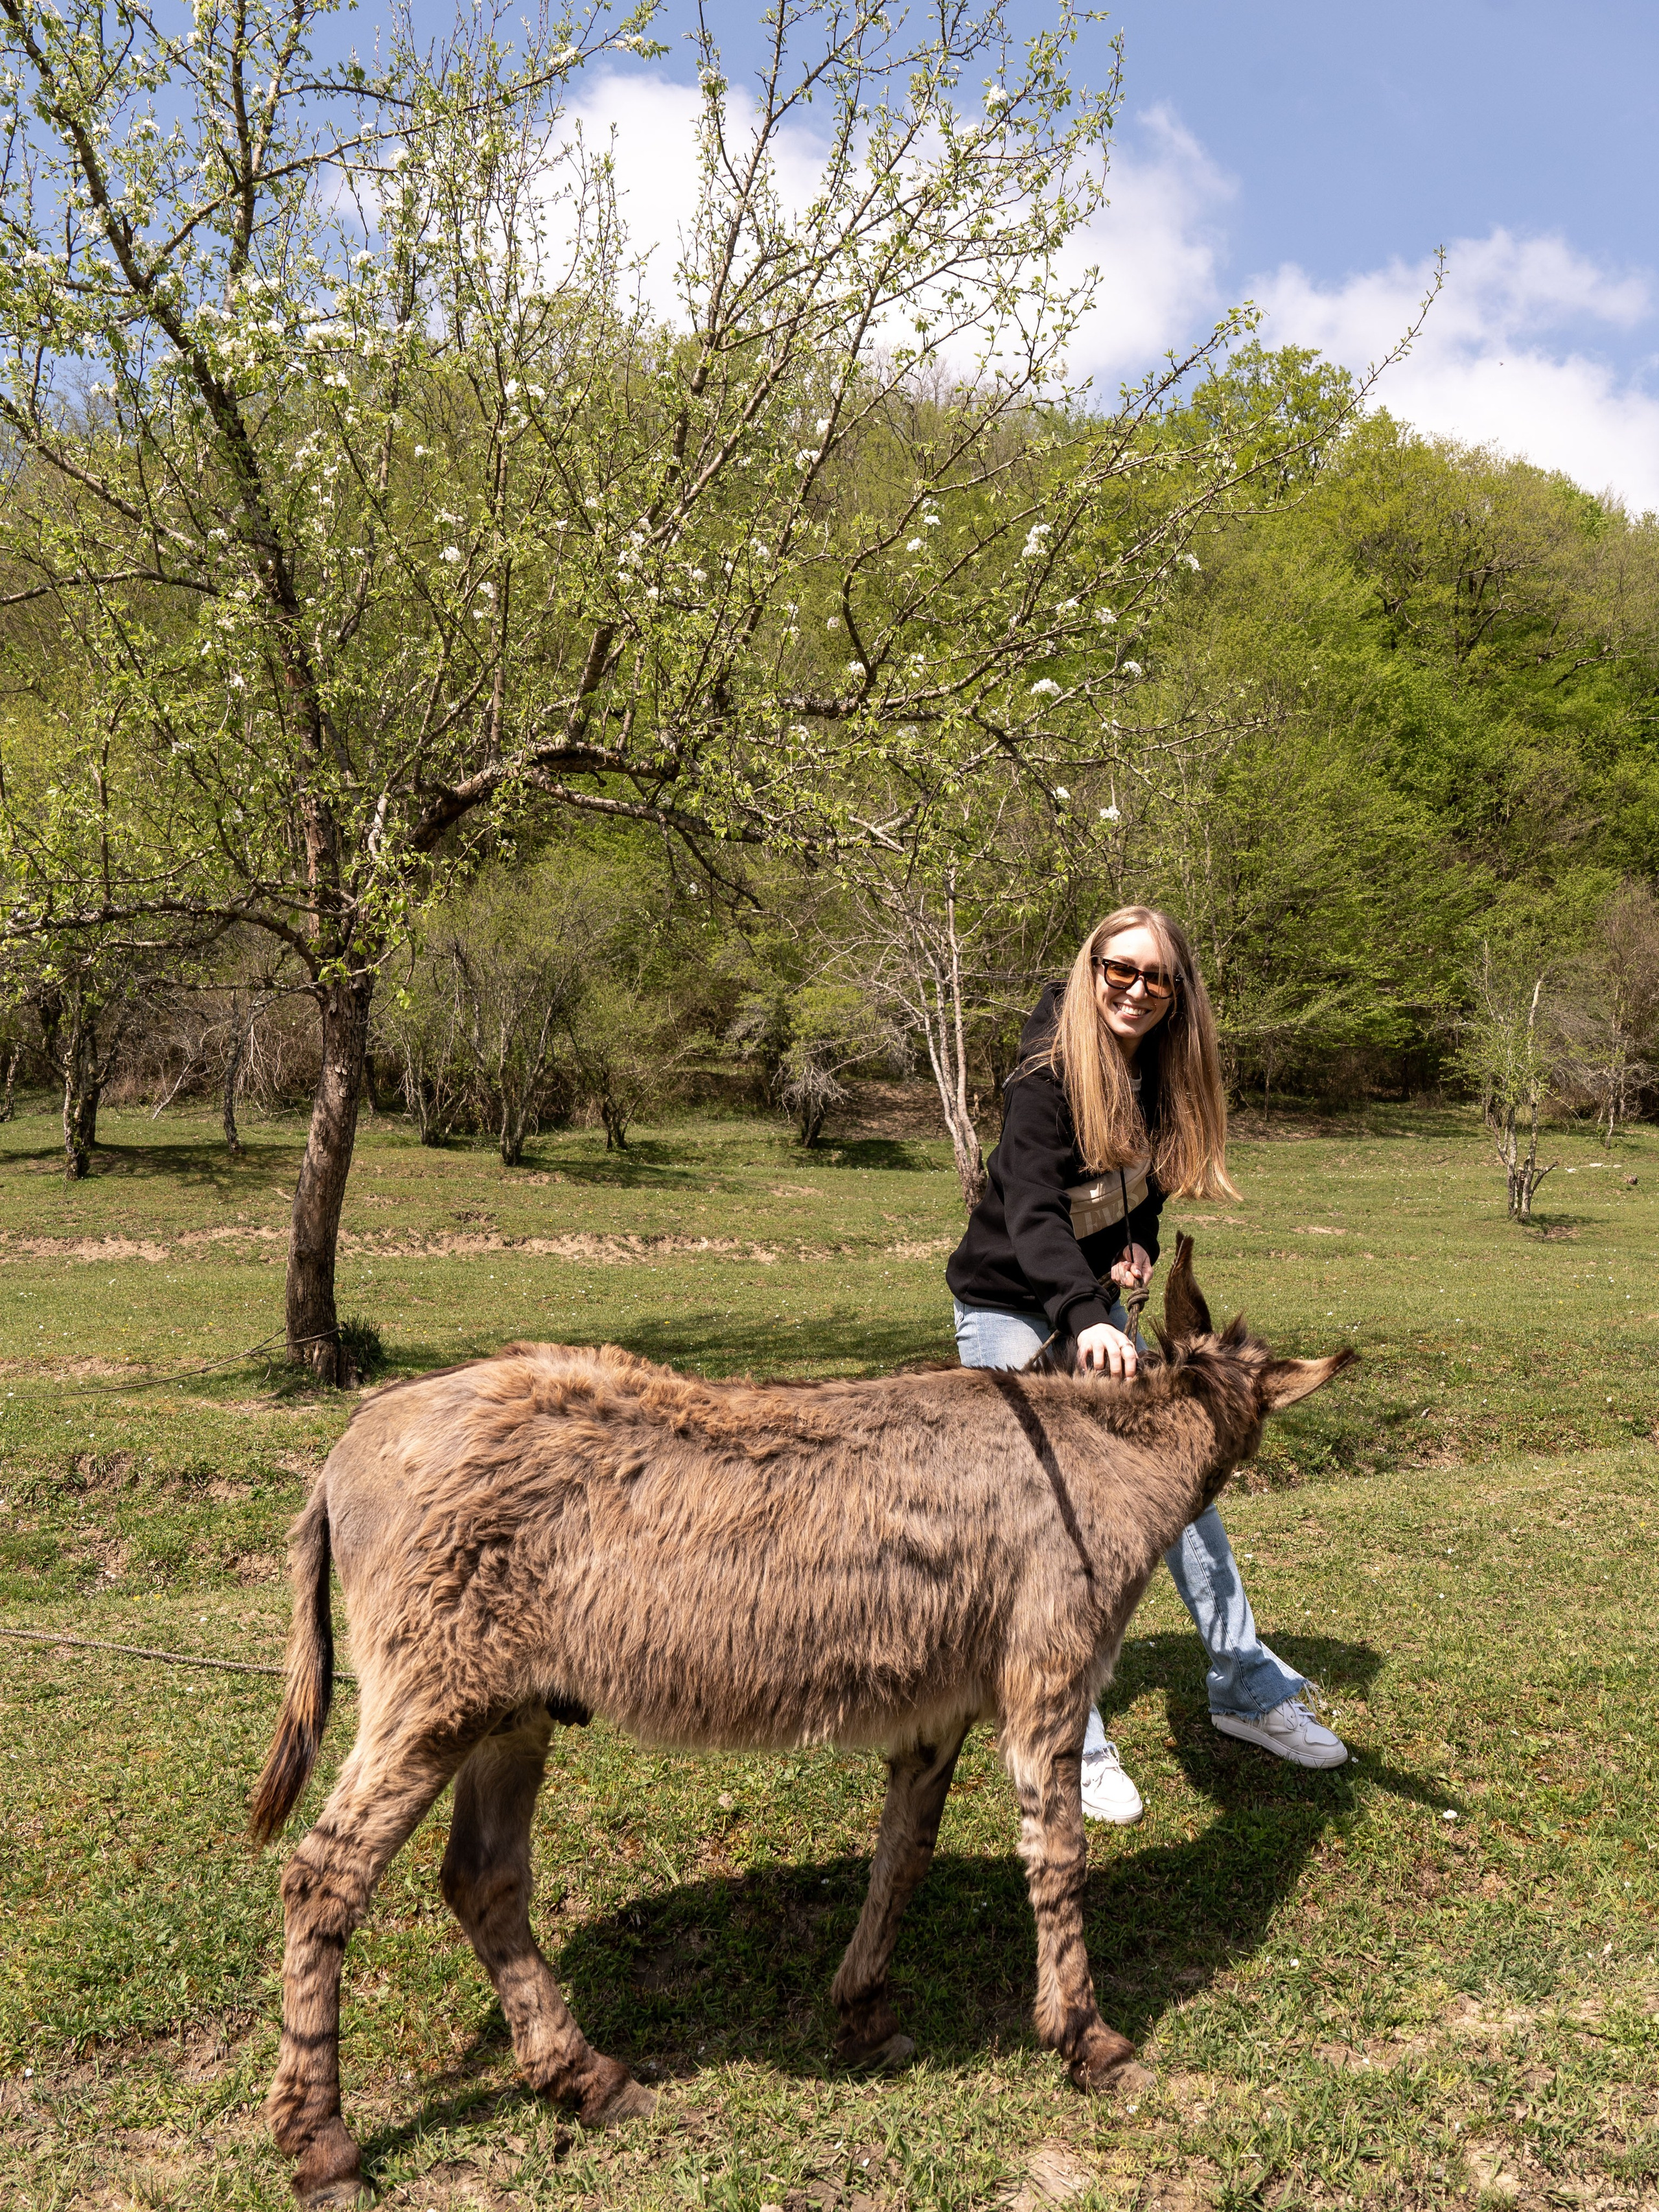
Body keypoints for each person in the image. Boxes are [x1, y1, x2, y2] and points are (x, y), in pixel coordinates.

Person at [946, 903, 1346, 1824]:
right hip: (1011, 1304)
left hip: (1089, 1302)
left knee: (1176, 1481)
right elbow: (1033, 1213)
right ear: (1091, 970)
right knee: (1052, 1513)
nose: (1134, 989)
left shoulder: (1163, 1080)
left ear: (1178, 992)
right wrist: (1087, 1314)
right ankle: (1069, 1735)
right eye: (1118, 969)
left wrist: (1135, 1251)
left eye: (1155, 976)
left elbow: (1140, 1198)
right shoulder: (1046, 1074)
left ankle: (1246, 1686)